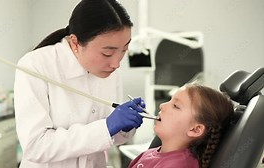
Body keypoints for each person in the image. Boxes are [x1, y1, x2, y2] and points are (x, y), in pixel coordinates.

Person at [14, 0, 145, 167]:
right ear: (75, 43)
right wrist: (106, 126)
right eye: (107, 53)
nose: (116, 64)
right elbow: (36, 147)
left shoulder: (111, 70)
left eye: (123, 51)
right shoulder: (35, 65)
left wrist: (125, 126)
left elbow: (111, 138)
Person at [129, 83, 234, 168]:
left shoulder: (180, 165)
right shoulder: (147, 154)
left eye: (175, 106)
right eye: (170, 101)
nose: (162, 106)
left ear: (195, 130)